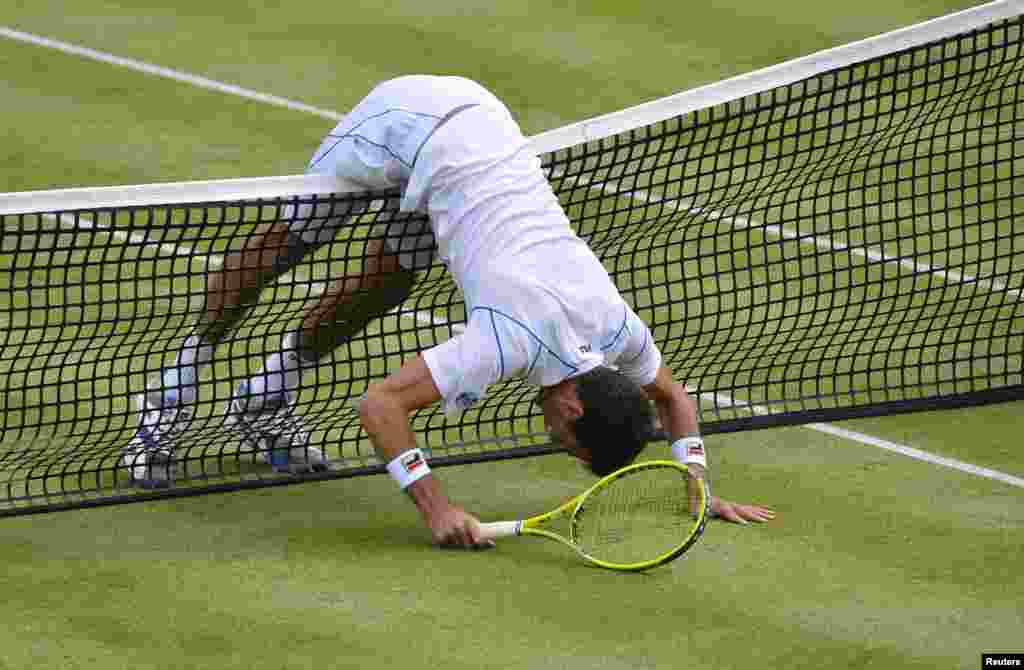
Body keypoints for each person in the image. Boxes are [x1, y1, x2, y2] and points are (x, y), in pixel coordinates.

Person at [122, 75, 775, 545]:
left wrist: (698, 493)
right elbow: (380, 407)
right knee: (282, 249)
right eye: (568, 444)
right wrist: (436, 508)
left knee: (387, 285)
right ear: (573, 407)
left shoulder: (618, 332)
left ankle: (265, 397)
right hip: (407, 123)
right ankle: (168, 398)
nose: (555, 442)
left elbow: (675, 398)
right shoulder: (511, 341)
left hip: (473, 140)